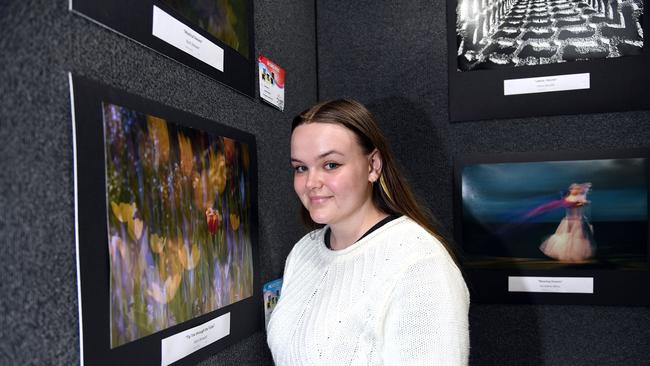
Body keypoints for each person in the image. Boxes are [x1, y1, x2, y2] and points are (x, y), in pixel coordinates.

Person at [266, 99, 469, 365]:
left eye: (331, 165)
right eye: (301, 168)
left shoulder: (421, 264)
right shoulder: (303, 251)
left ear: (373, 166)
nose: (311, 183)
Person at [539, 183, 596, 262]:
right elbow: (568, 205)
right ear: (571, 190)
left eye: (576, 189)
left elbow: (582, 201)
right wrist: (578, 204)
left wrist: (583, 199)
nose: (575, 190)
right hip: (569, 220)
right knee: (568, 237)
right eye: (573, 189)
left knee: (578, 238)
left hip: (579, 221)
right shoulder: (568, 198)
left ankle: (575, 255)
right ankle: (568, 255)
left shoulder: (580, 198)